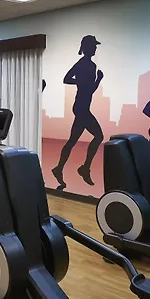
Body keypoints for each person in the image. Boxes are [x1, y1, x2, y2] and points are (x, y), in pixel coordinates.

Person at [52, 35, 104, 190]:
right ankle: (84, 168)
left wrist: (81, 82)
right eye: (93, 46)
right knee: (98, 136)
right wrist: (98, 79)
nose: (95, 48)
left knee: (72, 140)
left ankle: (59, 168)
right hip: (82, 107)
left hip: (81, 106)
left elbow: (70, 80)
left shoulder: (86, 64)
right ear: (87, 47)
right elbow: (72, 81)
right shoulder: (87, 65)